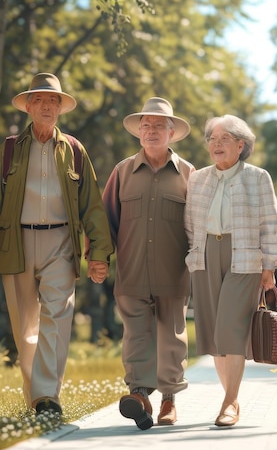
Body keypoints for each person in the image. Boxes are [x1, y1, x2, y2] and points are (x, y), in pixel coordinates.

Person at [0, 72, 113, 416]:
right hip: (16, 243)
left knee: (58, 317)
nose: (46, 106)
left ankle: (47, 396)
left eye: (53, 100)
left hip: (61, 241)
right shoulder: (9, 150)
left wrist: (99, 253)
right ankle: (36, 396)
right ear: (29, 107)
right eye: (39, 100)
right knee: (25, 329)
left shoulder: (75, 151)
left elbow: (92, 206)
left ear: (60, 108)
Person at [184, 114, 277, 427]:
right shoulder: (198, 178)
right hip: (205, 255)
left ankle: (229, 402)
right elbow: (189, 224)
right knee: (214, 330)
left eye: (224, 138)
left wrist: (270, 265)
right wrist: (195, 254)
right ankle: (233, 399)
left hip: (244, 257)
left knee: (232, 327)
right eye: (212, 138)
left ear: (241, 145)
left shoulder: (258, 177)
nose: (216, 144)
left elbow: (270, 224)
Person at [102, 97, 194, 430]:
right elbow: (107, 219)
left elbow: (197, 226)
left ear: (172, 133)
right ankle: (139, 395)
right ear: (138, 131)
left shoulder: (189, 175)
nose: (151, 130)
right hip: (132, 270)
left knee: (172, 337)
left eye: (158, 125)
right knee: (136, 335)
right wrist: (99, 258)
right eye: (146, 125)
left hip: (174, 272)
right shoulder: (122, 171)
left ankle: (169, 398)